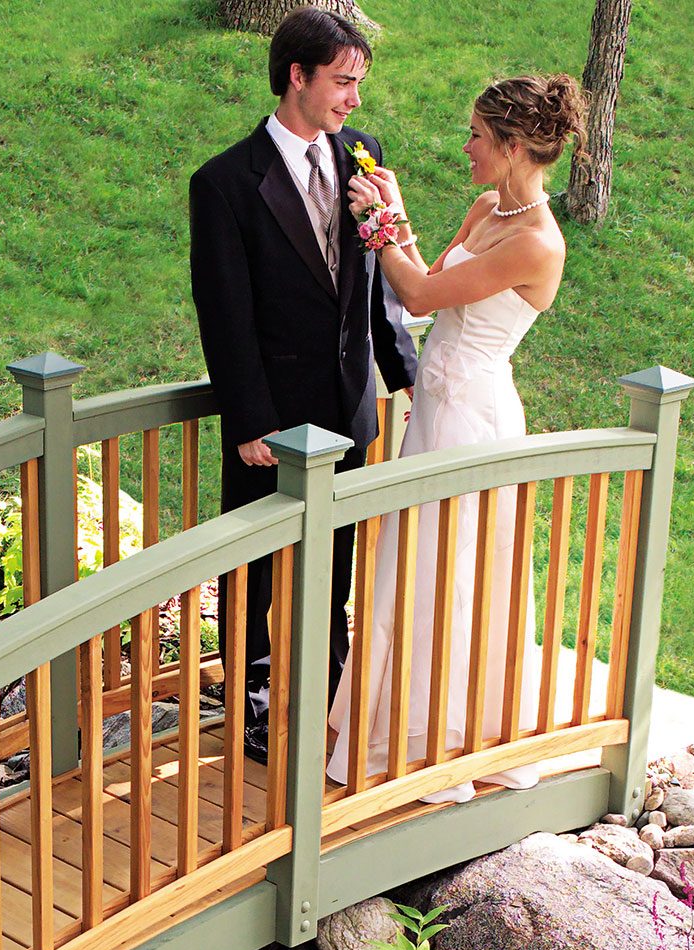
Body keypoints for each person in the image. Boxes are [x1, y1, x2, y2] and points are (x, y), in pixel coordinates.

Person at [326, 73, 587, 803]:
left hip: (474, 419)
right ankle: (398, 728)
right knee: (414, 563)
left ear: (509, 147)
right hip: (435, 413)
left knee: (457, 574)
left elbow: (415, 293)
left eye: (477, 134)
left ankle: (445, 739)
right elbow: (429, 277)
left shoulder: (538, 244)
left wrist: (379, 220)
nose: (466, 146)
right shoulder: (484, 208)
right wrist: (397, 215)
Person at [189, 5, 419, 763]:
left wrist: (404, 375)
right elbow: (225, 313)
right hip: (273, 419)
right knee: (255, 570)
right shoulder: (225, 182)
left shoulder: (364, 154)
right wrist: (250, 421)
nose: (355, 100)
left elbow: (372, 288)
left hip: (349, 407)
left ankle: (323, 701)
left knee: (337, 564)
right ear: (297, 76)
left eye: (358, 84)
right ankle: (251, 705)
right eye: (343, 83)